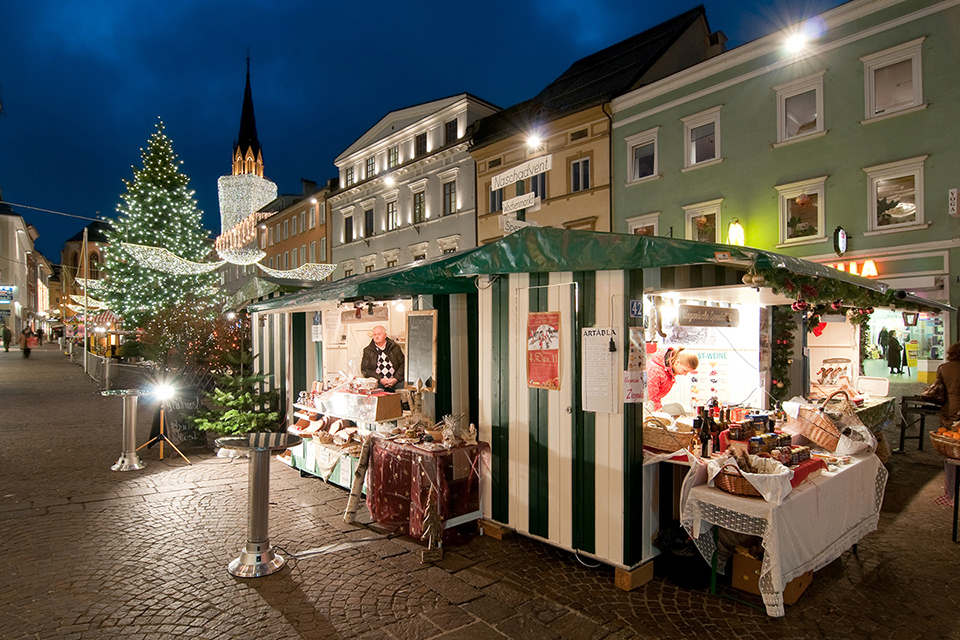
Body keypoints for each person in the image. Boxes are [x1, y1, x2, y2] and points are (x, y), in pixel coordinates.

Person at [645, 346, 699, 411]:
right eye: (684, 371)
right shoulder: (655, 371)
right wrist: (658, 413)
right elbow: (650, 398)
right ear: (677, 362)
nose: (685, 374)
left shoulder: (667, 369)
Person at [360, 325, 405, 391]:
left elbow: (403, 364)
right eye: (375, 334)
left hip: (396, 381)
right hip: (378, 382)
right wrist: (380, 379)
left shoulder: (395, 348)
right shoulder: (368, 350)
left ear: (385, 335)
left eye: (379, 334)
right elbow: (365, 369)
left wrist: (396, 379)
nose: (376, 336)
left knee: (406, 389)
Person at [938, 342, 960, 430]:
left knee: (946, 434)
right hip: (958, 409)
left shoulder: (943, 367)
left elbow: (939, 388)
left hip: (946, 408)